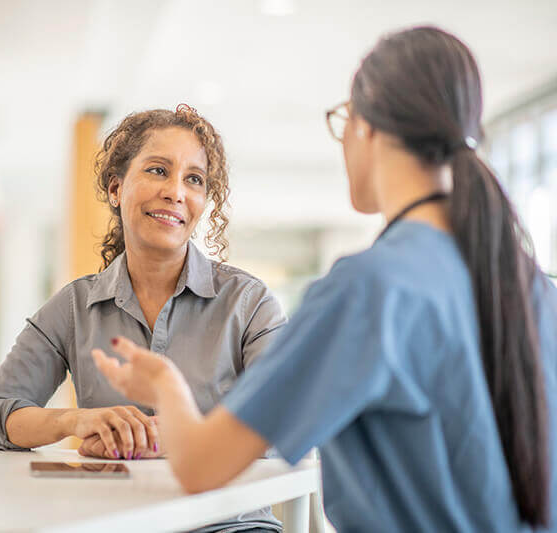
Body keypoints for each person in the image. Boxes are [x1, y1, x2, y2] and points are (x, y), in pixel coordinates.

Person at [92, 27, 557, 532]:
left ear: (366, 129)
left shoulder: (368, 290)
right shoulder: (531, 287)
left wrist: (162, 383)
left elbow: (203, 464)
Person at [0, 105, 286, 532]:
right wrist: (74, 421)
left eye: (194, 179)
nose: (176, 191)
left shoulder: (249, 303)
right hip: (110, 522)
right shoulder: (73, 306)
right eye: (158, 170)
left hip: (229, 526)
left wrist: (163, 441)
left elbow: (285, 420)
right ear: (116, 188)